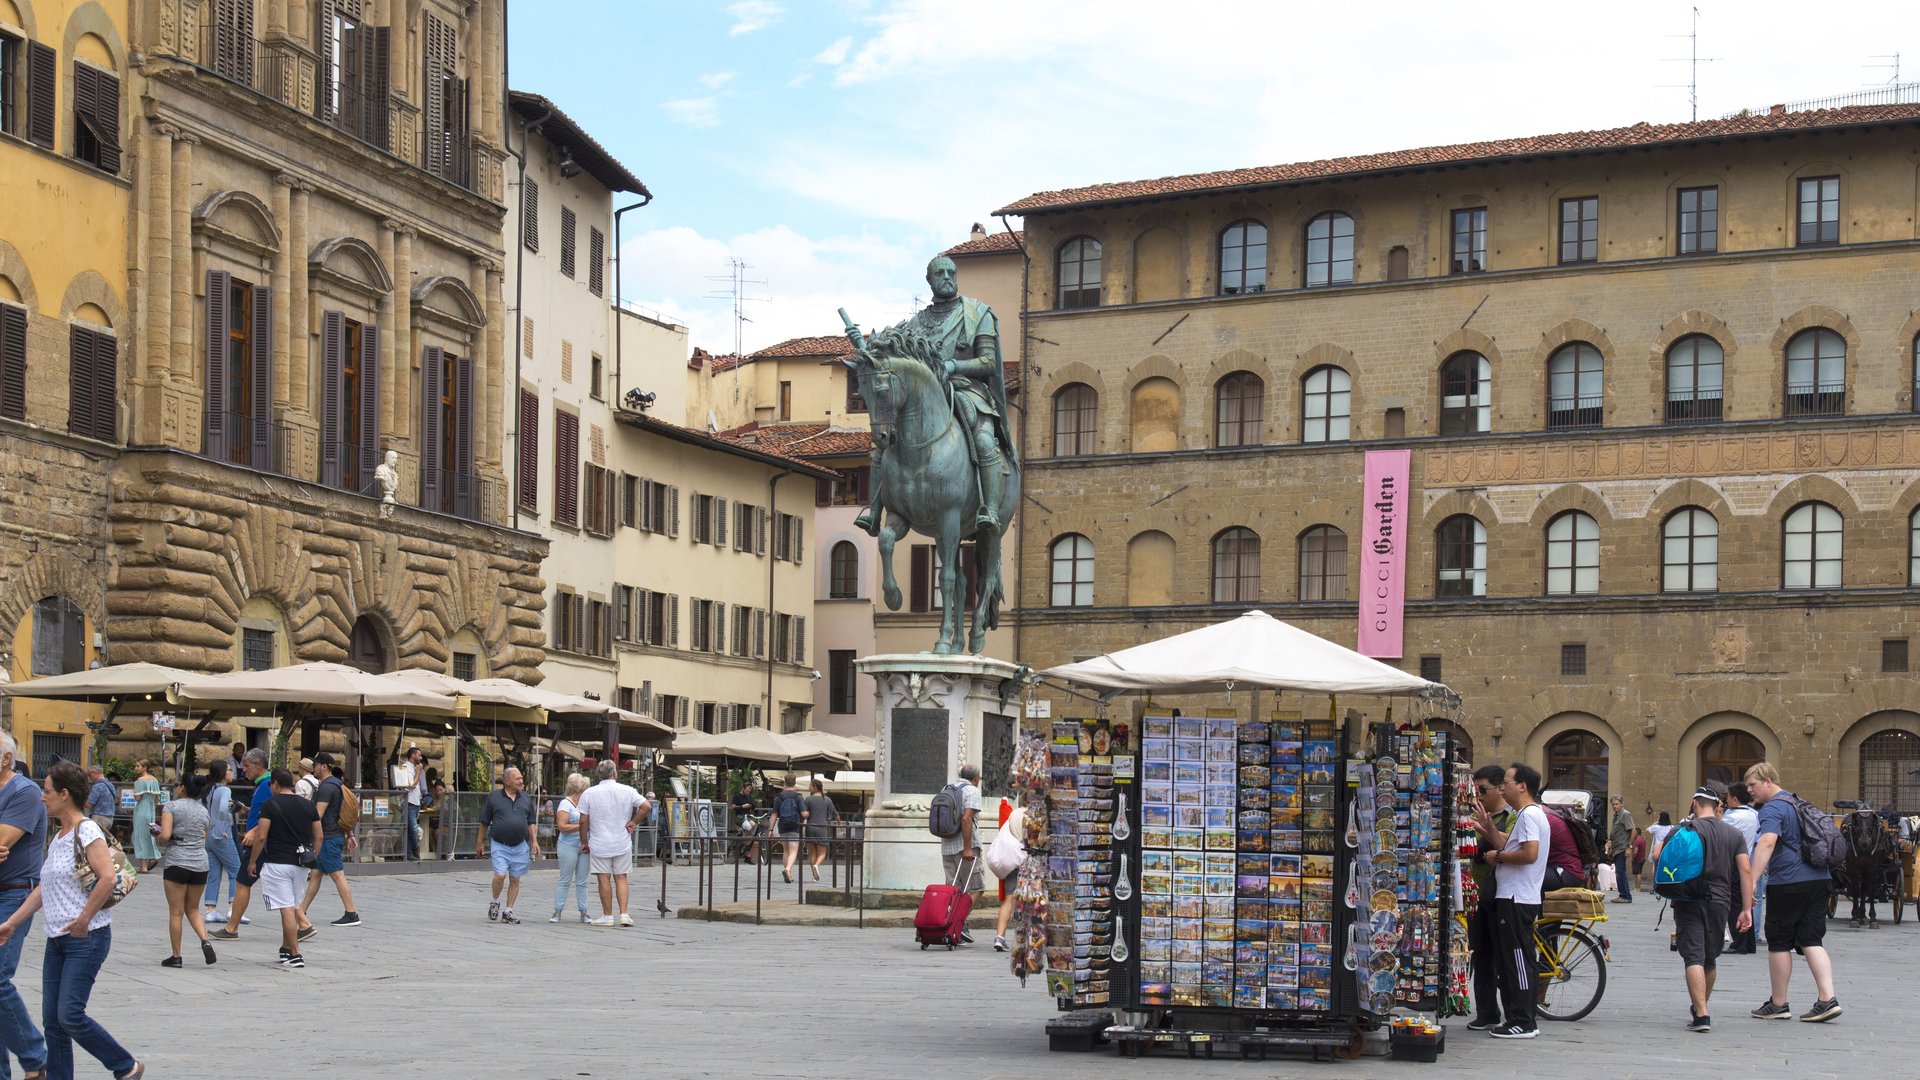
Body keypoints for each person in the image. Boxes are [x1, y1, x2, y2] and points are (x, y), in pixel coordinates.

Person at [853, 255, 1014, 536]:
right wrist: (865, 345)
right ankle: (874, 511)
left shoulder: (978, 314)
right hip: (924, 397)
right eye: (940, 273)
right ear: (930, 280)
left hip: (966, 388)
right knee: (884, 446)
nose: (947, 277)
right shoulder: (916, 323)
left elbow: (988, 363)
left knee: (985, 440)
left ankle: (989, 508)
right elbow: (891, 356)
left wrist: (954, 365)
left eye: (951, 272)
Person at [0, 762, 141, 1079]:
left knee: (70, 1015)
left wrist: (83, 919)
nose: (42, 797)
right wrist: (12, 922)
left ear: (64, 794)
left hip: (87, 938)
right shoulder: (60, 837)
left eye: (47, 791)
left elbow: (106, 878)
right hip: (58, 939)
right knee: (53, 1020)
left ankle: (125, 1065)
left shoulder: (86, 829)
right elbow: (42, 890)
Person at [1648, 784, 1751, 1032]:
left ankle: (1701, 1014)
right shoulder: (1733, 834)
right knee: (1710, 958)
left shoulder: (1683, 828)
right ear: (1717, 807)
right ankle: (1700, 1006)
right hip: (1721, 900)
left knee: (1693, 956)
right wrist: (1746, 908)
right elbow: (1745, 870)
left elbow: (1656, 856)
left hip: (1688, 899)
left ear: (1695, 803)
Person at [1744, 762, 1841, 1022]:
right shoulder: (1799, 803)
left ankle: (1778, 1004)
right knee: (1811, 939)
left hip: (1788, 882)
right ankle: (1827, 999)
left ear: (1767, 780)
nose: (1749, 791)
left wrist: (1752, 879)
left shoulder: (1772, 808)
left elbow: (1767, 841)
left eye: (1752, 785)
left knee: (1778, 941)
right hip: (1820, 879)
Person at [1479, 763, 1548, 1040]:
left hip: (1517, 897)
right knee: (1514, 958)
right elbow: (1511, 843)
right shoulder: (1527, 814)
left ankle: (1523, 1020)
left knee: (1519, 958)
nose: (1502, 787)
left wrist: (1497, 857)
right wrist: (1487, 829)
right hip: (1514, 896)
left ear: (1522, 786)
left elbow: (1529, 854)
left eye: (1506, 782)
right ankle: (1518, 1017)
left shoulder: (1530, 814)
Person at [0, 732, 48, 1080]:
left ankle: (35, 1057)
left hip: (15, 893)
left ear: (5, 759)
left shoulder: (24, 792)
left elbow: (3, 841)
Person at [250, 768, 322, 969]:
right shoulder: (308, 805)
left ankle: (295, 953)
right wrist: (313, 856)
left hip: (277, 862)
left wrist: (252, 861)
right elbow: (319, 836)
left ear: (274, 784)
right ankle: (285, 947)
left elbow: (261, 836)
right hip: (300, 864)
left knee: (286, 908)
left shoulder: (270, 804)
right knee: (292, 905)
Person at [1465, 764, 1517, 1031]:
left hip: (1501, 894)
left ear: (1500, 788)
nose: (1479, 795)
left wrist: (1486, 832)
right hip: (1477, 894)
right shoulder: (1474, 814)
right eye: (1476, 789)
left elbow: (1514, 845)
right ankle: (1486, 1012)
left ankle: (1512, 1013)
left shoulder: (1512, 816)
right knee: (1480, 954)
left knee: (1503, 956)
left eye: (1482, 789)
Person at [209, 749, 272, 942]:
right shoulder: (262, 785)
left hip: (260, 841)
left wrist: (254, 831)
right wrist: (247, 810)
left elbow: (272, 810)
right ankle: (302, 923)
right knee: (243, 880)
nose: (243, 770)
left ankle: (231, 928)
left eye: (247, 766)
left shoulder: (267, 785)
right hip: (258, 840)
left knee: (242, 880)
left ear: (258, 765)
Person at [577, 760, 648, 927]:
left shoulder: (589, 793)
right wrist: (634, 822)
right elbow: (646, 806)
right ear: (615, 773)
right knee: (621, 877)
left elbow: (582, 820)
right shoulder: (628, 790)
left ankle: (607, 916)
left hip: (599, 841)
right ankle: (624, 914)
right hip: (621, 840)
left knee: (603, 878)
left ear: (598, 775)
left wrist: (584, 841)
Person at [155, 773, 215, 967]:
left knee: (176, 912)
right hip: (200, 863)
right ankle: (205, 940)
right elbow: (204, 838)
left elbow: (165, 835)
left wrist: (157, 836)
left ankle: (176, 956)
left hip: (177, 862)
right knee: (193, 908)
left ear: (182, 788)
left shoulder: (171, 806)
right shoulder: (203, 810)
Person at [298, 754, 360, 928]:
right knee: (316, 874)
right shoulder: (337, 784)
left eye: (315, 765)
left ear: (324, 766)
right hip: (333, 835)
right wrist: (349, 834)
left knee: (337, 874)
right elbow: (341, 812)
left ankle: (351, 913)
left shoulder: (326, 787)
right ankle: (301, 910)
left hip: (328, 837)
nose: (313, 768)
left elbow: (318, 814)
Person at [478, 767, 540, 924]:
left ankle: (508, 911)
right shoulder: (494, 797)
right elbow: (484, 821)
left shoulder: (525, 798)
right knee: (500, 875)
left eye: (521, 778)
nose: (521, 781)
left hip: (520, 845)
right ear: (507, 782)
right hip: (500, 844)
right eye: (517, 778)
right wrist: (479, 842)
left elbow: (531, 821)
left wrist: (534, 841)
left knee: (515, 878)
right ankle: (495, 900)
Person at [938, 764, 984, 945]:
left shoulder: (947, 788)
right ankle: (958, 923)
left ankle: (949, 925)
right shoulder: (971, 791)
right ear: (976, 778)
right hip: (965, 848)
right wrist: (967, 848)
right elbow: (966, 818)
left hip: (946, 846)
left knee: (954, 891)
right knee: (977, 888)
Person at [1723, 782, 1762, 954]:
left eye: (1728, 797)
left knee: (1734, 904)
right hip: (1748, 860)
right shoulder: (1754, 815)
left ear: (1734, 799)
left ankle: (1738, 942)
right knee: (1746, 903)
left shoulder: (1731, 817)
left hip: (1733, 862)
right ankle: (1749, 942)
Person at [201, 760, 241, 926]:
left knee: (214, 872)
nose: (232, 772)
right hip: (221, 833)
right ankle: (233, 907)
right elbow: (224, 809)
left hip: (209, 834)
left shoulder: (210, 789)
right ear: (222, 773)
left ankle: (211, 910)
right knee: (236, 869)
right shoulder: (225, 789)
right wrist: (223, 824)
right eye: (229, 770)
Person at [551, 773, 592, 924]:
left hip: (584, 845)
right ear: (579, 789)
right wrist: (581, 826)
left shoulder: (586, 804)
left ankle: (584, 912)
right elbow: (562, 826)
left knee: (582, 880)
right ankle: (557, 911)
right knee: (565, 879)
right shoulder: (565, 804)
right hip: (568, 845)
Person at [1540, 802, 1588, 893]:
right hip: (1570, 870)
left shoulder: (1541, 818)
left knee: (1527, 874)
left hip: (1568, 872)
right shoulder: (1547, 814)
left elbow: (1529, 854)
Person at [992, 798, 1020, 952]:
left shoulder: (1014, 814)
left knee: (1009, 900)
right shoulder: (1034, 816)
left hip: (1011, 862)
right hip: (1026, 861)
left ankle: (1000, 937)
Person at [392, 746, 426, 860]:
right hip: (409, 802)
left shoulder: (414, 767)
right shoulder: (406, 767)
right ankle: (415, 850)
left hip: (416, 802)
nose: (420, 758)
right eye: (419, 755)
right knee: (413, 828)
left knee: (410, 829)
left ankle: (409, 852)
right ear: (413, 755)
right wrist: (418, 772)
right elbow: (412, 785)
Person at [771, 775, 805, 884]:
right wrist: (808, 814)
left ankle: (789, 875)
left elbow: (774, 814)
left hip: (783, 826)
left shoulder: (779, 797)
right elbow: (804, 813)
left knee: (786, 850)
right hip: (794, 826)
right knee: (793, 851)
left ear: (784, 783)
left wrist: (771, 829)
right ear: (794, 783)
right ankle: (788, 869)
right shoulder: (798, 796)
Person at [801, 779, 837, 882]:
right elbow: (835, 814)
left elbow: (804, 814)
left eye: (810, 786)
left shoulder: (808, 799)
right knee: (822, 853)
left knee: (812, 852)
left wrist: (801, 822)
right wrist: (839, 824)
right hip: (822, 828)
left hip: (810, 828)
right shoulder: (827, 800)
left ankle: (814, 875)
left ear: (815, 788)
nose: (809, 788)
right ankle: (816, 866)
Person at [128, 762, 161, 873]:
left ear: (145, 767)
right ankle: (152, 857)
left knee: (140, 835)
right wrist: (153, 808)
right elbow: (157, 797)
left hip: (141, 810)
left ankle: (144, 866)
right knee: (150, 834)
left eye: (138, 766)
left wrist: (135, 788)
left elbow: (137, 798)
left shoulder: (139, 781)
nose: (135, 768)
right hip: (151, 809)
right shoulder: (155, 780)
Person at [1606, 795, 1637, 903]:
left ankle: (1625, 896)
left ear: (1621, 804)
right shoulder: (1616, 816)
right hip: (1617, 848)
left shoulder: (1625, 814)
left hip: (1622, 848)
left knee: (1620, 872)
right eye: (1613, 804)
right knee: (1619, 872)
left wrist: (1629, 846)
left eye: (1617, 804)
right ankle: (1624, 895)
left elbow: (1633, 830)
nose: (1614, 806)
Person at [731, 781, 760, 865]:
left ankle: (747, 854)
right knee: (748, 827)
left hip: (748, 816)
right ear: (743, 788)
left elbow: (752, 805)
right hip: (739, 817)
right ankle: (744, 837)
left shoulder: (749, 796)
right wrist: (742, 806)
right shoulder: (737, 796)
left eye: (749, 790)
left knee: (753, 827)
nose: (748, 792)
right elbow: (733, 806)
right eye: (747, 790)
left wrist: (748, 805)